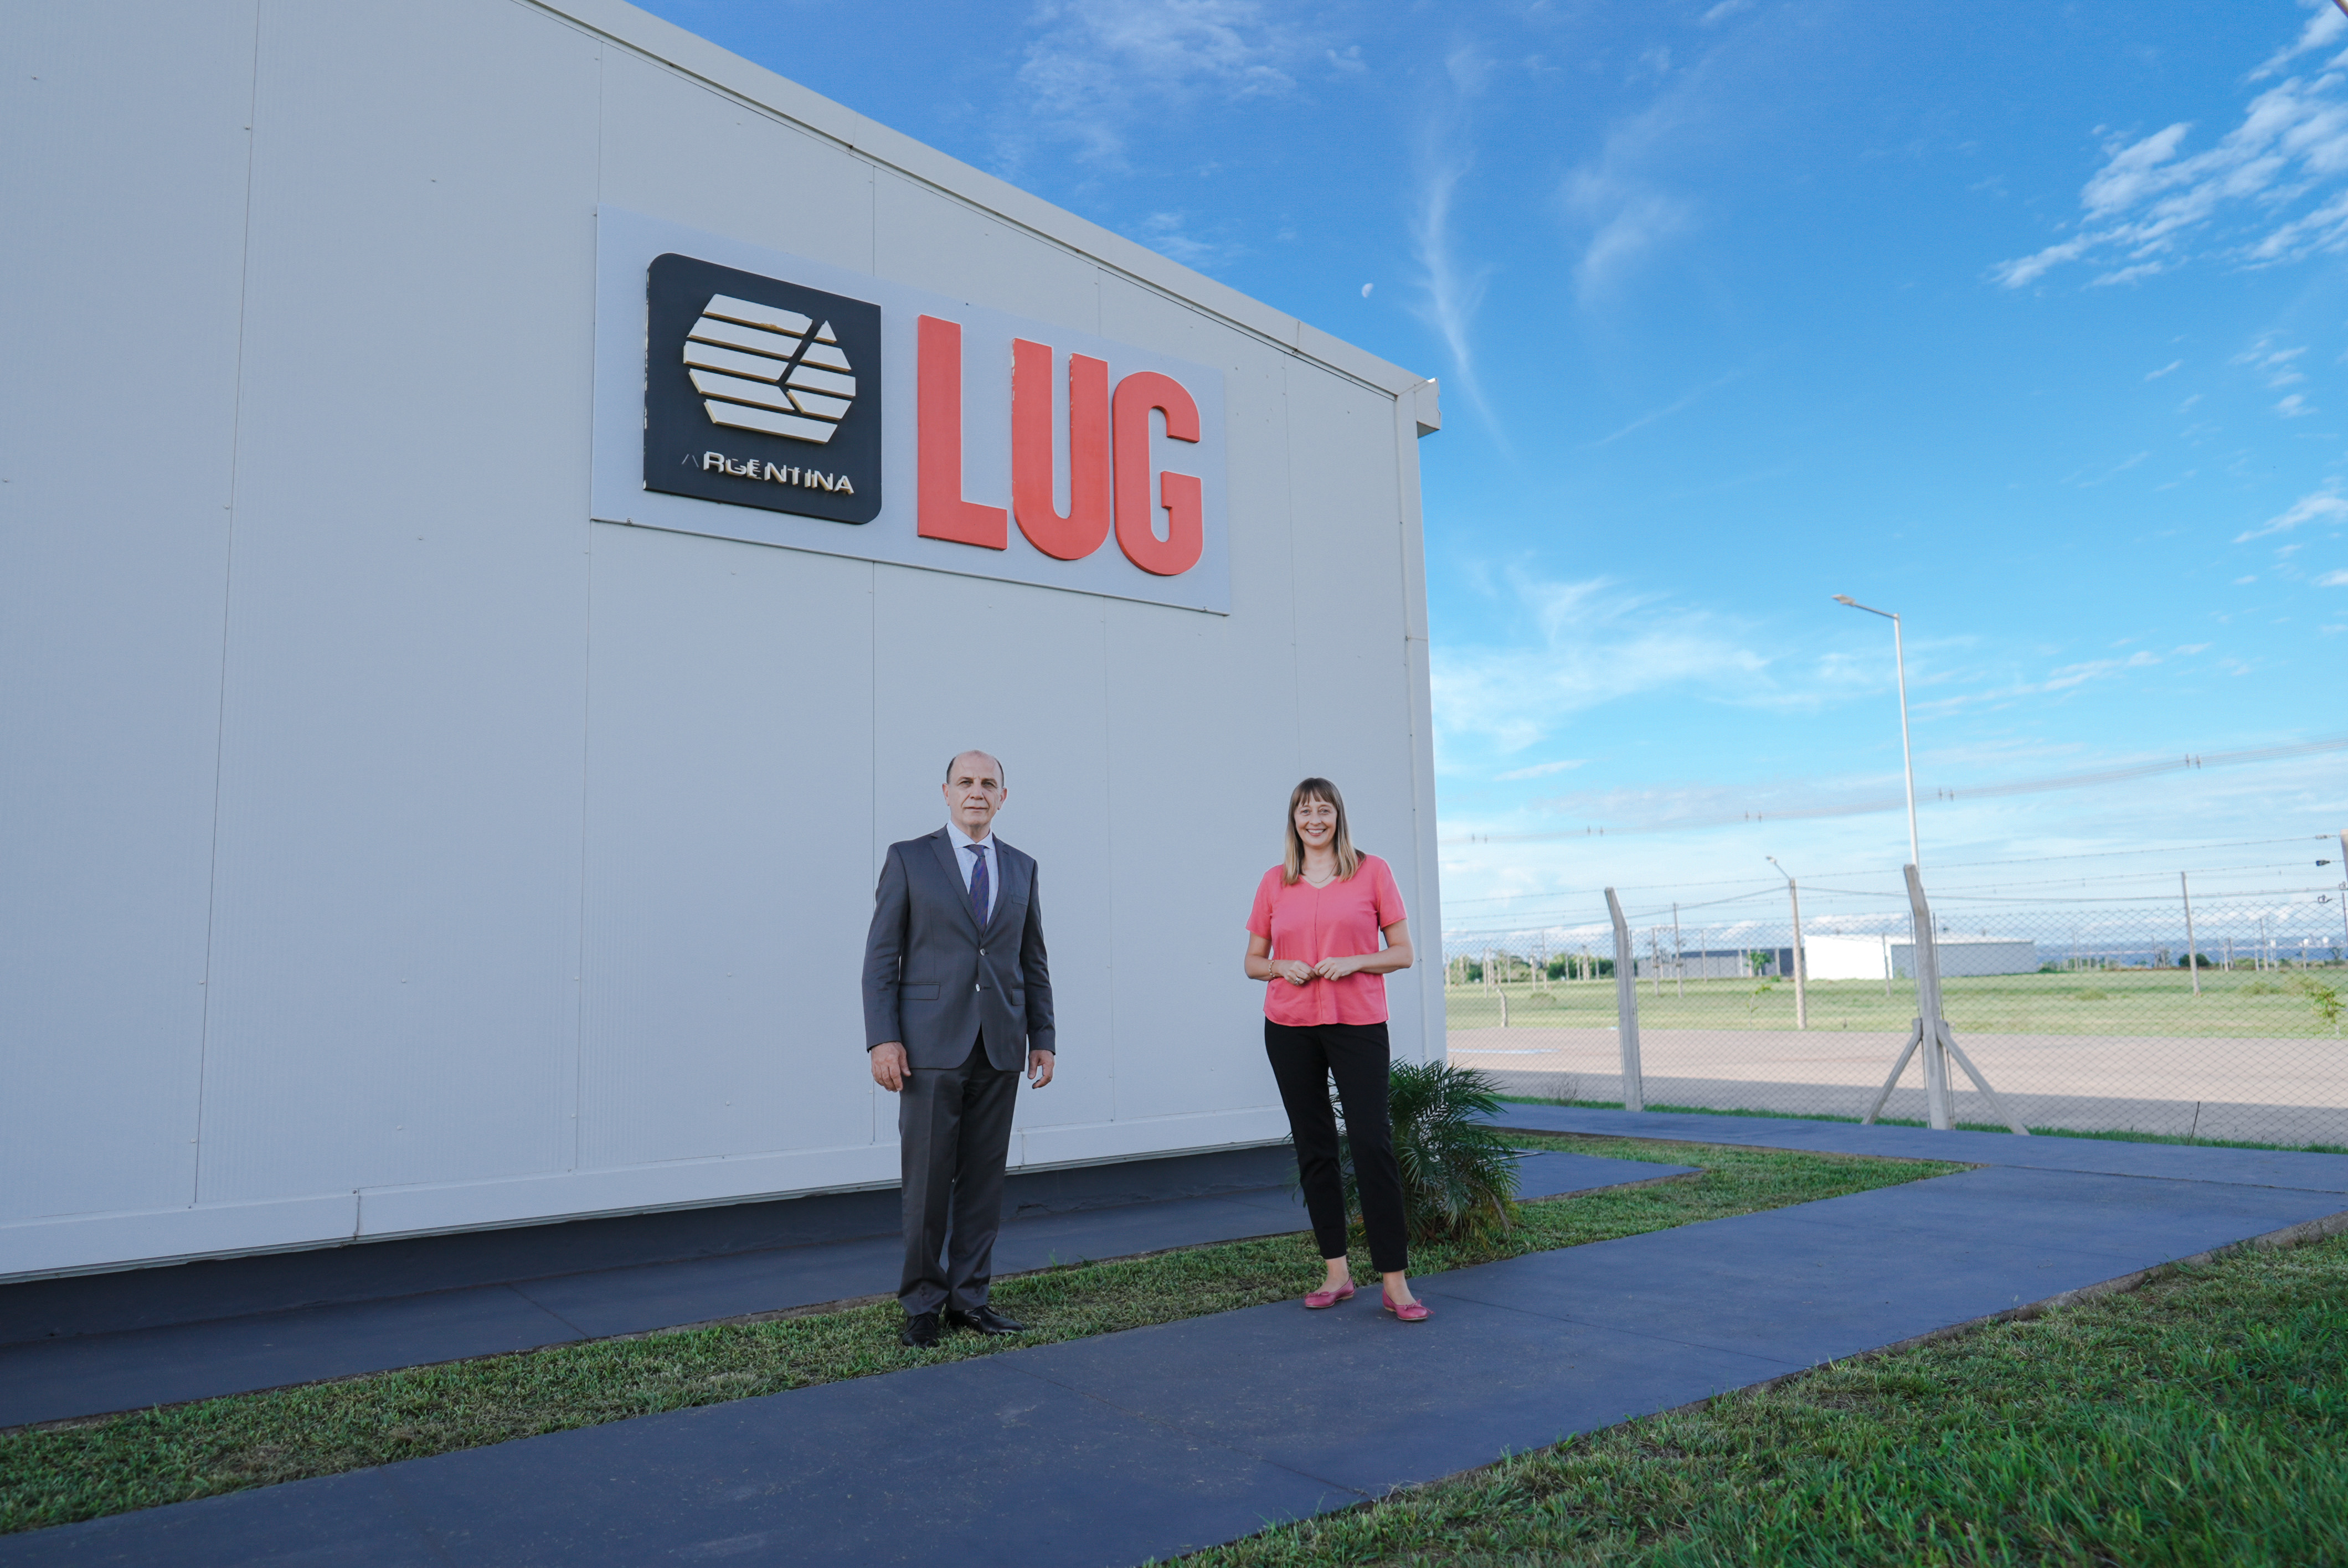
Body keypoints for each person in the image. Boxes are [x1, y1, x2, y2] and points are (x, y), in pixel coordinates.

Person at [863, 750, 1057, 1349]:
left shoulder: (1021, 867)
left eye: (988, 783)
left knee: (983, 1182)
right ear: (946, 792)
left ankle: (970, 1300)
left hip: (1000, 1046)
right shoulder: (909, 859)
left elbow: (1032, 960)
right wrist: (883, 1038)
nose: (977, 791)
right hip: (928, 1048)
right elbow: (881, 958)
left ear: (1003, 797)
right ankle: (922, 1304)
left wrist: (1044, 1037)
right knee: (926, 1182)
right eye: (966, 782)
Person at [1243, 777, 1425, 1322]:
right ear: (1294, 821)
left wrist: (1354, 961)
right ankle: (1337, 1274)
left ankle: (1395, 1284)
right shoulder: (1275, 882)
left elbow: (1403, 952)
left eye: (1324, 810)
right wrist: (1280, 966)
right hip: (1290, 1026)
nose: (1315, 820)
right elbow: (1252, 962)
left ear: (1338, 817)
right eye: (1305, 811)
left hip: (1357, 1023)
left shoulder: (1373, 872)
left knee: (1371, 1144)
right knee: (1315, 1147)